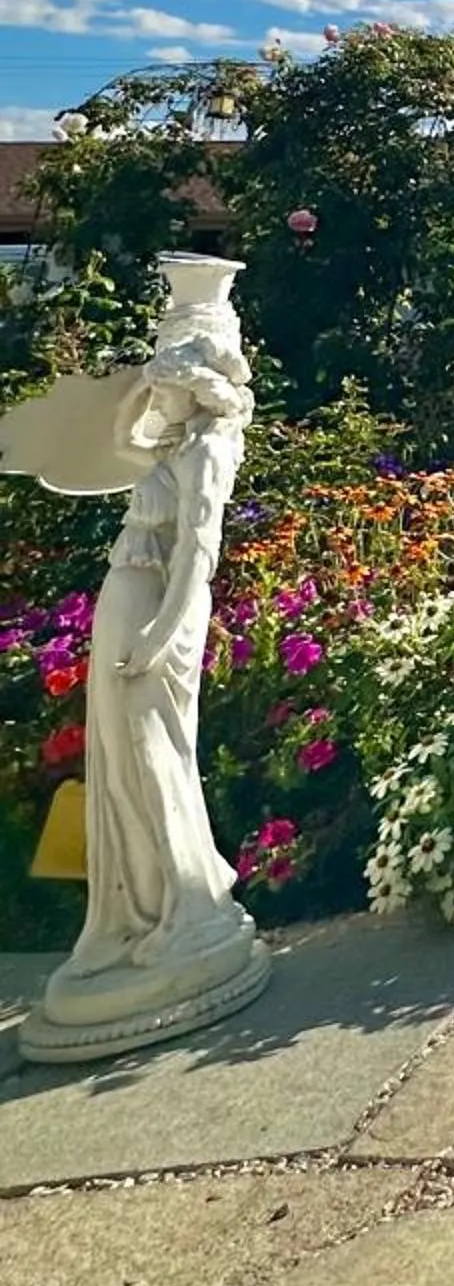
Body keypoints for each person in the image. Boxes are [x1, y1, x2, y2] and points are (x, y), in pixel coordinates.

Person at [53, 308, 255, 999]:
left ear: (192, 390)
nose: (155, 389)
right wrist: (146, 384)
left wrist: (158, 637)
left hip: (159, 608)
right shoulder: (170, 442)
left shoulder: (203, 455)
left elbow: (198, 555)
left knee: (151, 751)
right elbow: (121, 437)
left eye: (166, 379)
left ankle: (189, 901)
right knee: (117, 757)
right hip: (127, 593)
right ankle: (140, 907)